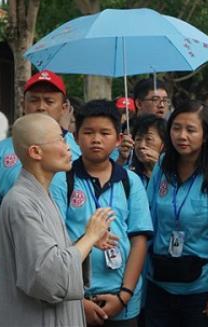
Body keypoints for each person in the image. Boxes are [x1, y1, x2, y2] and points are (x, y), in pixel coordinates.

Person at [0, 70, 81, 327]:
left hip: (62, 266)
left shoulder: (75, 151)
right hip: (11, 260)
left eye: (49, 101)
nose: (41, 106)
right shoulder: (2, 150)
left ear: (64, 106)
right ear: (23, 103)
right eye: (34, 99)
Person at [0, 113, 114, 327]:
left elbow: (52, 257)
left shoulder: (43, 195)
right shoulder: (21, 202)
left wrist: (87, 241)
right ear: (35, 152)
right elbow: (49, 276)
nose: (68, 147)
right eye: (60, 140)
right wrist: (90, 236)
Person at [51, 100, 153, 326]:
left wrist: (124, 296)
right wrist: (77, 299)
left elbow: (139, 241)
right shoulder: (62, 179)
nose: (96, 139)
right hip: (74, 299)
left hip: (123, 302)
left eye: (105, 133)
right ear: (76, 137)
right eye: (88, 132)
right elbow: (54, 241)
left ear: (118, 139)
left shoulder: (130, 181)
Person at [145, 100, 208, 327]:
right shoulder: (163, 165)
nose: (182, 136)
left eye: (191, 130)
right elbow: (148, 216)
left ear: (205, 136)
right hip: (159, 282)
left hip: (201, 287)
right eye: (176, 128)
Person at [123, 114, 167, 187]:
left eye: (149, 139)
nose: (141, 145)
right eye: (138, 139)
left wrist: (159, 166)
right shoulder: (128, 174)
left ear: (164, 143)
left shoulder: (173, 174)